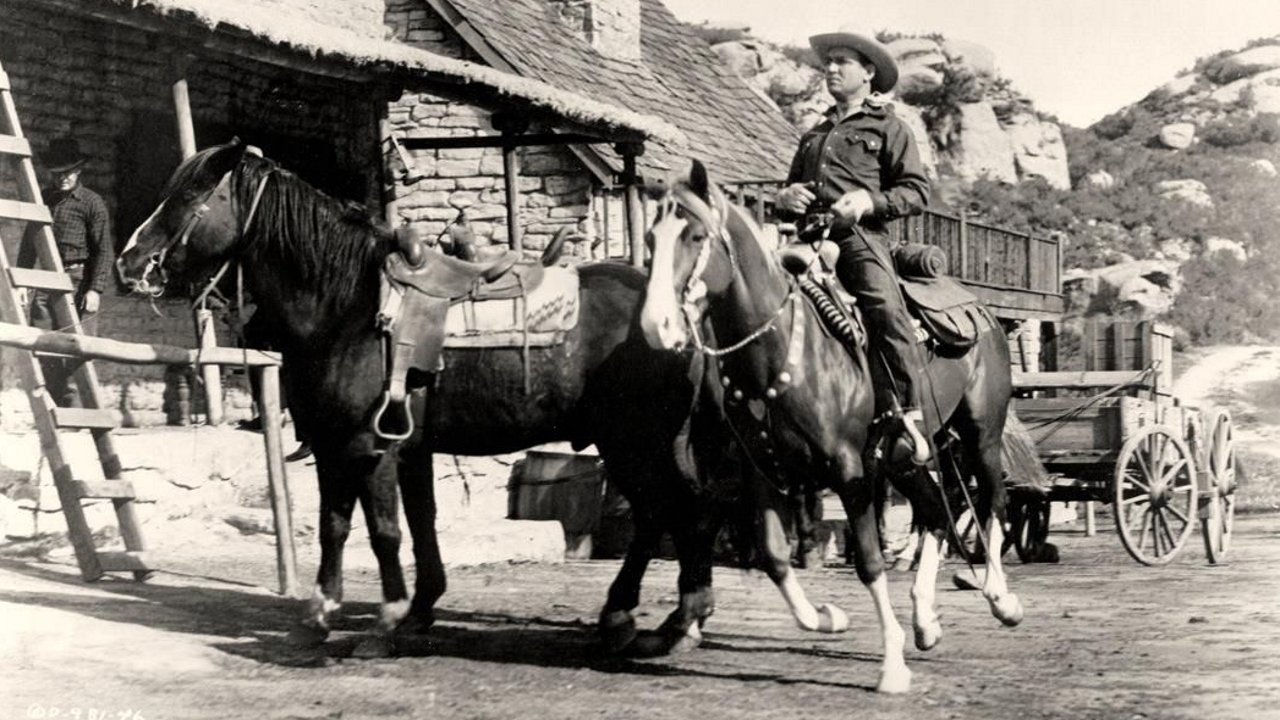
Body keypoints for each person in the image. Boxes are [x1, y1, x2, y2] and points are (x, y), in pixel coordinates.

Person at [775, 28, 932, 464]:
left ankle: (908, 418)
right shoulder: (813, 134)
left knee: (884, 307)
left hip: (860, 239)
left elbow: (917, 193)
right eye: (828, 62)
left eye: (842, 61)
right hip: (807, 240)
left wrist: (869, 202)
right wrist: (784, 198)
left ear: (868, 73)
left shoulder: (889, 128)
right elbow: (790, 190)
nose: (831, 68)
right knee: (755, 296)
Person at [18, 136, 115, 407]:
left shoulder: (92, 203)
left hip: (78, 280)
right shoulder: (44, 200)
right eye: (57, 173)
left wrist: (95, 289)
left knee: (77, 345)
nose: (62, 179)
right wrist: (25, 280)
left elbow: (104, 250)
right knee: (42, 340)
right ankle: (55, 406)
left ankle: (76, 410)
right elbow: (30, 242)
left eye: (68, 173)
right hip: (47, 277)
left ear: (78, 171)